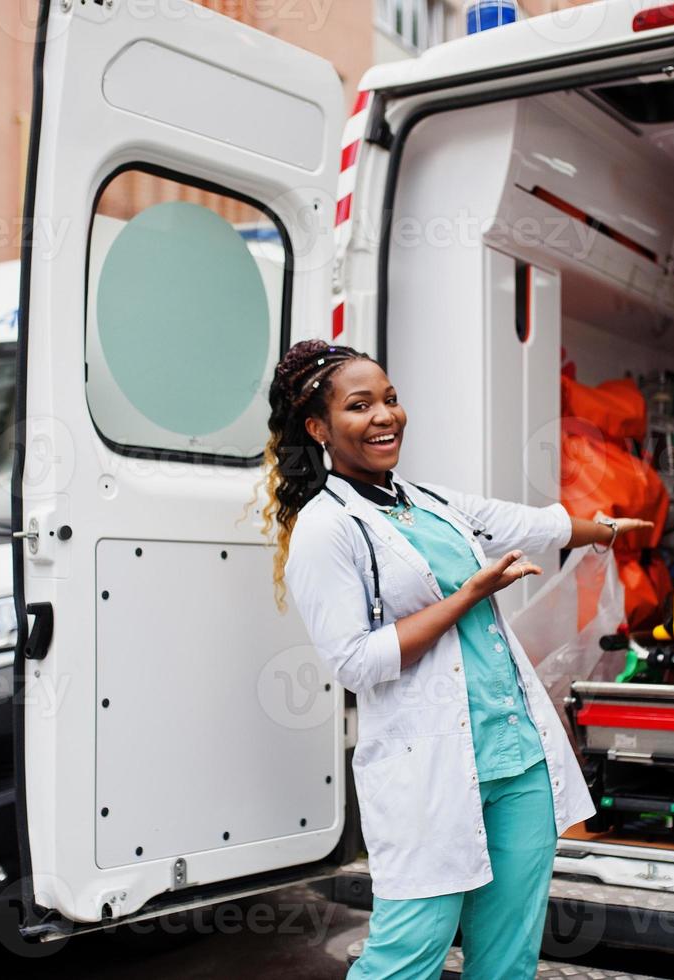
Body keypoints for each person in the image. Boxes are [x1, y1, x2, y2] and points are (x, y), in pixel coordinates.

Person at [263, 339, 651, 978]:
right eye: (360, 406)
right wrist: (469, 595)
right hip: (430, 767)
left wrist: (602, 529)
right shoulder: (325, 528)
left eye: (390, 398)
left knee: (508, 954)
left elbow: (527, 523)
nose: (385, 415)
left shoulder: (429, 502)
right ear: (318, 427)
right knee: (407, 955)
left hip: (517, 757)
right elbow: (356, 662)